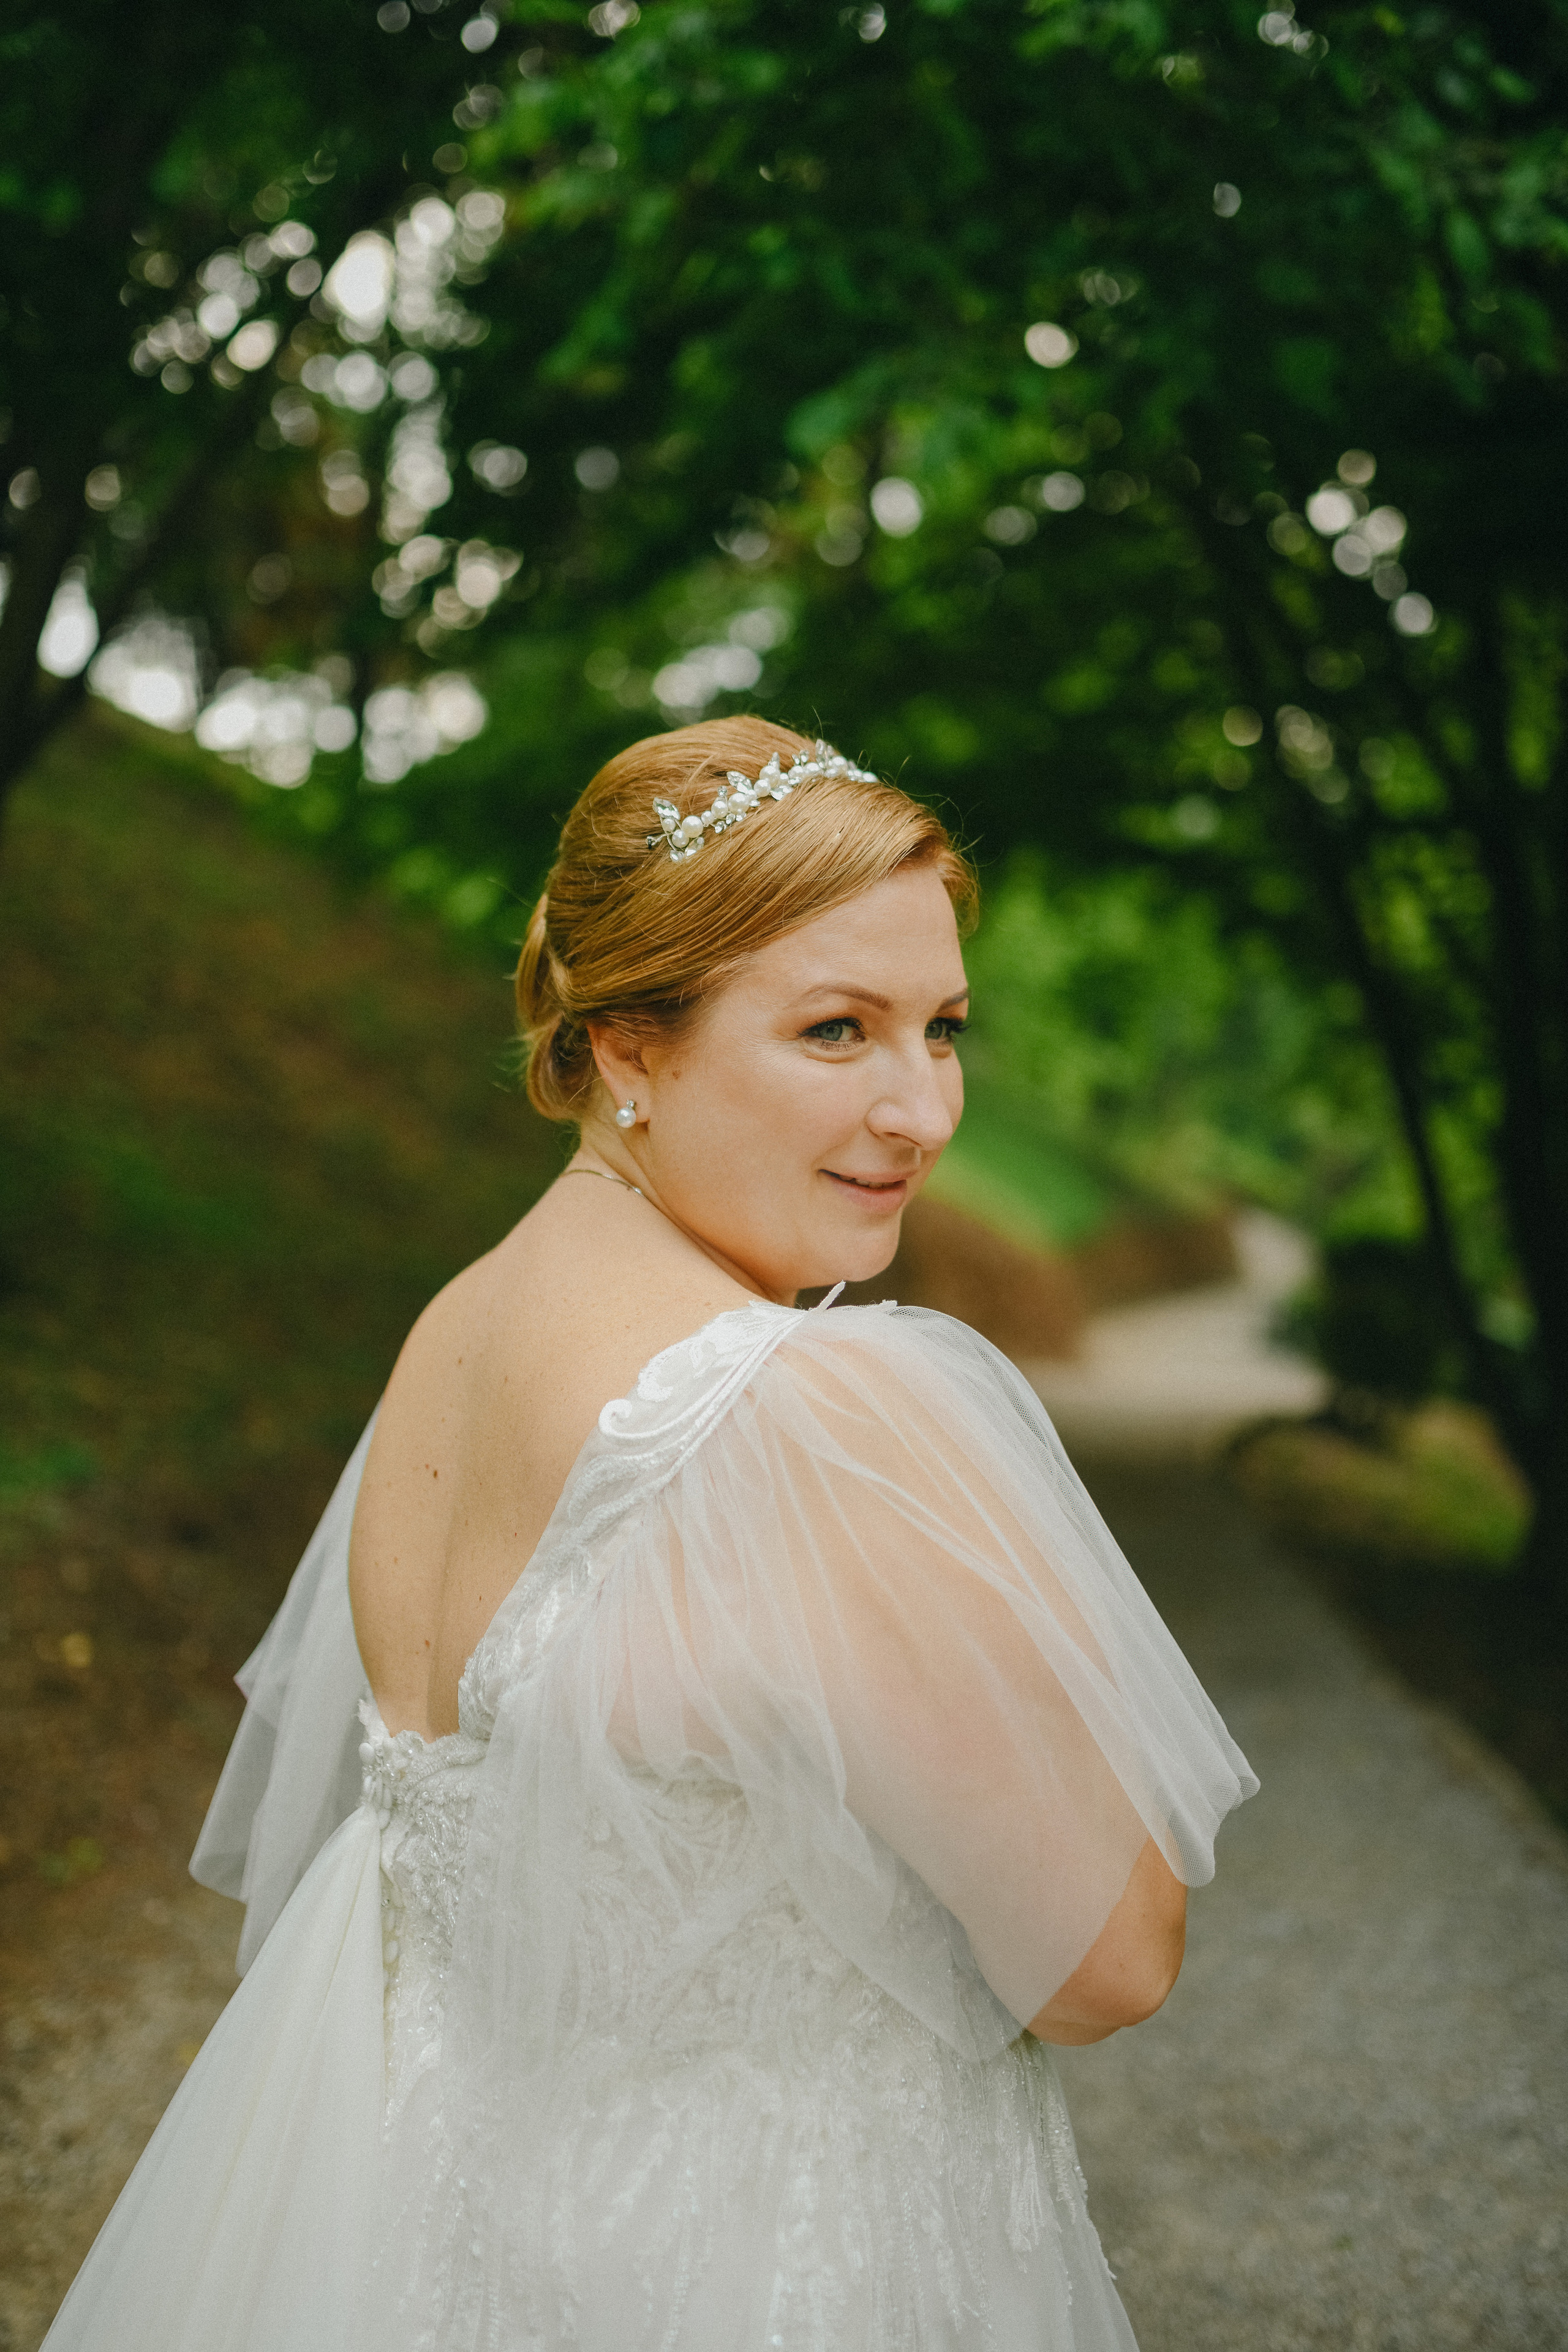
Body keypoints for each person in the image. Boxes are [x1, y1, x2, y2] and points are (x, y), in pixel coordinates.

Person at [43, 717, 1256, 2352]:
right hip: (763, 2270)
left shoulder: (455, 1336)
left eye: (943, 1029)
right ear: (628, 1046)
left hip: (419, 2242)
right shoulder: (809, 1415)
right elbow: (1108, 1963)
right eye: (837, 1031)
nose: (922, 1110)